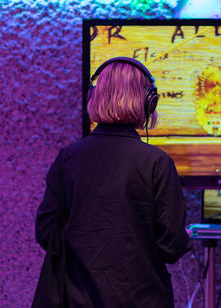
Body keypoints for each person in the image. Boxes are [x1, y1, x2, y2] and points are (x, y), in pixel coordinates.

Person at [34, 57, 192, 307]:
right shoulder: (157, 163)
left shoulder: (67, 158)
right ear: (148, 102)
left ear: (93, 97)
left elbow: (46, 233)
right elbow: (172, 246)